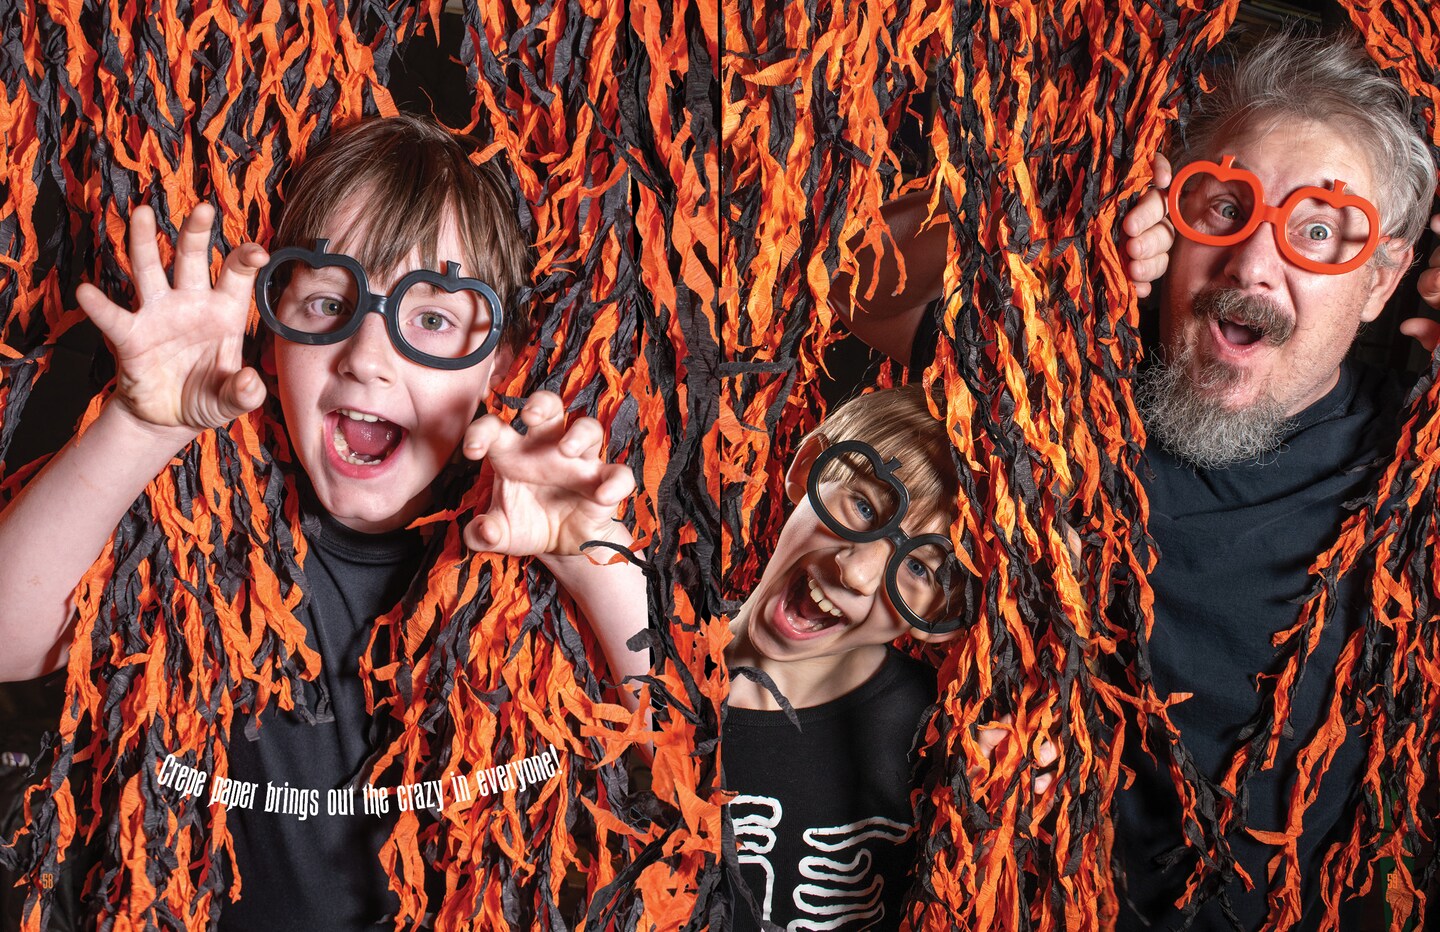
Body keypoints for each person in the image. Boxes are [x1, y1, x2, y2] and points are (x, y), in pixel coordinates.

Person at [837, 29, 1440, 931]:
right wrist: (1061, 216)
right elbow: (856, 280)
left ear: (1383, 280)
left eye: (1317, 231)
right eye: (1223, 206)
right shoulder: (1051, 385)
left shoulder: (1413, 479)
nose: (1250, 264)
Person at [0, 115, 649, 928]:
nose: (366, 356)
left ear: (501, 361)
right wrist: (140, 429)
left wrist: (594, 561)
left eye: (432, 319)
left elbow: (695, 756)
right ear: (272, 338)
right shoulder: (199, 533)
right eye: (328, 303)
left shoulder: (536, 543)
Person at [723, 384, 975, 932]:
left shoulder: (943, 740)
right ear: (806, 468)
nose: (856, 573)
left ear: (942, 617)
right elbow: (523, 772)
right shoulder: (638, 650)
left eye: (919, 568)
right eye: (863, 507)